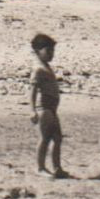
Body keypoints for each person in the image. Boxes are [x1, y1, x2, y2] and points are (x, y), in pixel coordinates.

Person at [30, 34, 69, 178]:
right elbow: (32, 91)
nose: (51, 54)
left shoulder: (47, 67)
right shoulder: (38, 69)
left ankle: (57, 167)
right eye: (48, 51)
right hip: (43, 108)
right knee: (45, 138)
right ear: (37, 51)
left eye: (53, 51)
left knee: (57, 138)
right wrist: (32, 110)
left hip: (52, 108)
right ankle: (40, 168)